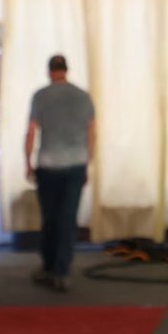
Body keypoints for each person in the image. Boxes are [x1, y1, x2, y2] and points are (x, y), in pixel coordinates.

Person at [24, 54, 96, 292]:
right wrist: (88, 162)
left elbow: (32, 131)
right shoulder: (83, 96)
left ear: (49, 71)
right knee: (68, 219)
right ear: (66, 69)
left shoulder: (41, 96)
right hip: (75, 164)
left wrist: (27, 162)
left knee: (50, 217)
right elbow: (91, 132)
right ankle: (62, 271)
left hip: (48, 165)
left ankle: (49, 265)